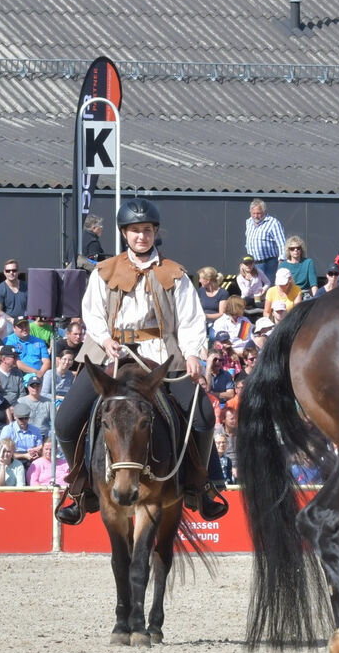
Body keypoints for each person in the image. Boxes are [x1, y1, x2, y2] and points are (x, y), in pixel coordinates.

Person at [54, 198, 227, 525]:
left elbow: (190, 320)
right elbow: (91, 312)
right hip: (110, 353)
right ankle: (80, 489)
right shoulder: (104, 271)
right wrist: (105, 339)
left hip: (161, 353)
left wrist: (192, 353)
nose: (141, 237)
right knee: (65, 420)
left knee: (203, 414)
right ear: (124, 234)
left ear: (154, 232)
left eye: (146, 230)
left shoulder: (174, 273)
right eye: (135, 231)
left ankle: (201, 486)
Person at [245, 198, 289, 282]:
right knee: (256, 289)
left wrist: (281, 262)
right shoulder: (248, 222)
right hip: (253, 263)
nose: (255, 216)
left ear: (264, 212)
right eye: (253, 213)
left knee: (269, 289)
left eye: (258, 213)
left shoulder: (273, 223)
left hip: (269, 263)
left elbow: (282, 244)